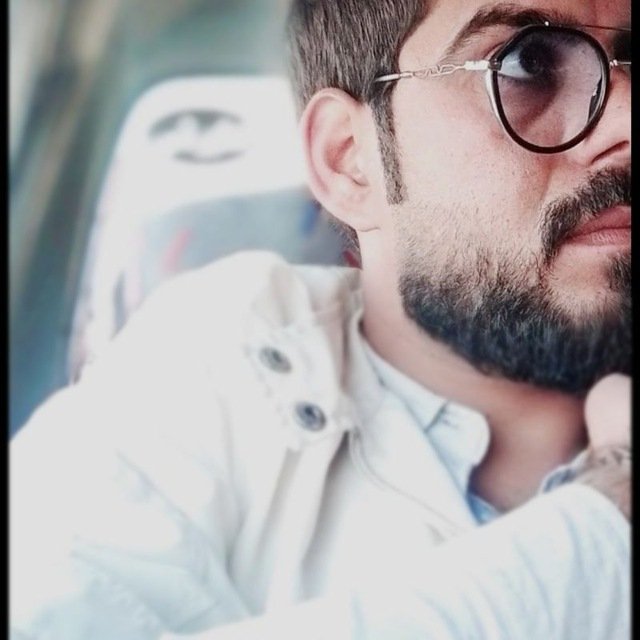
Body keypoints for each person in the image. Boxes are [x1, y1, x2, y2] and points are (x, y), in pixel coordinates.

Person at [10, 0, 631, 638]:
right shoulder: (199, 378)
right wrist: (607, 522)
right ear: (349, 159)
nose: (626, 118)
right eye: (529, 66)